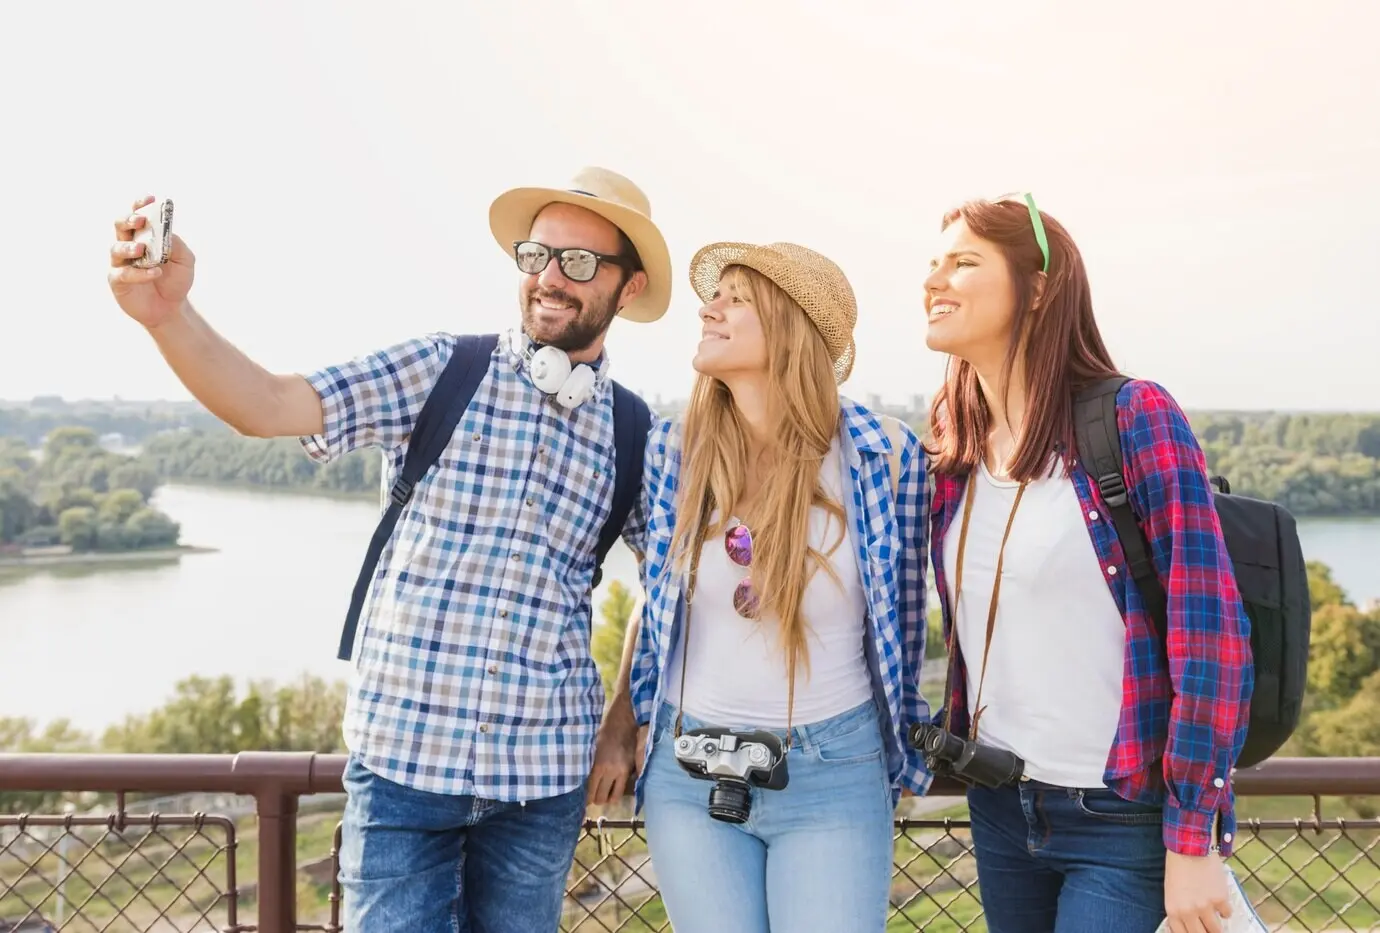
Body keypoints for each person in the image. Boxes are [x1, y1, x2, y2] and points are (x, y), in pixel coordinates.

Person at [105, 167, 673, 933]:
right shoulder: (441, 370)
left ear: (628, 288)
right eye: (536, 254)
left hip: (542, 782)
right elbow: (266, 403)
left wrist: (622, 718)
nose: (548, 277)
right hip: (405, 765)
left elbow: (671, 582)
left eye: (578, 262)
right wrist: (167, 317)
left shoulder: (635, 433)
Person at [919, 193, 1253, 933]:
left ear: (1038, 288)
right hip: (1000, 801)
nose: (934, 280)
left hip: (1118, 814)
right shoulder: (953, 434)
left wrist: (1192, 839)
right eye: (933, 262)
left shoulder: (1134, 417)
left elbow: (1212, 637)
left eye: (963, 262)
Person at [604, 241, 932, 933]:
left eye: (736, 299)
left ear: (789, 328)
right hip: (687, 772)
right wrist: (622, 719)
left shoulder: (883, 455)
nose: (708, 309)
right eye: (713, 296)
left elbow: (906, 619)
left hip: (833, 774)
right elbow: (657, 607)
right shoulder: (673, 451)